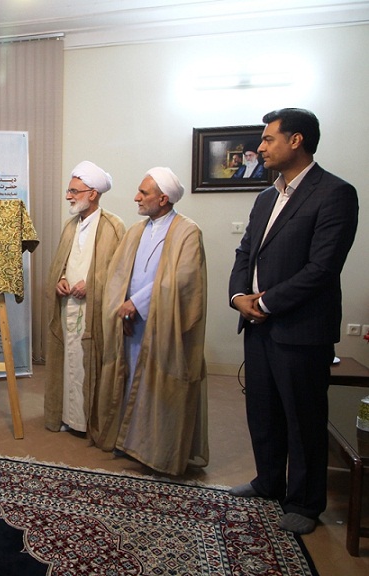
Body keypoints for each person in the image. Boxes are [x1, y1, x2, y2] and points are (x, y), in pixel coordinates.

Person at [228, 108, 359, 535]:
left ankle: (304, 502)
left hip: (301, 330)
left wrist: (267, 303)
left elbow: (322, 268)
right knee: (263, 410)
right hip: (258, 326)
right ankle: (268, 481)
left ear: (296, 140)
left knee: (303, 418)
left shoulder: (335, 193)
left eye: (268, 139)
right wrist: (239, 297)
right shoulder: (266, 197)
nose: (261, 147)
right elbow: (246, 253)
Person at [94, 167, 208, 476]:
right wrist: (122, 307)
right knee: (130, 379)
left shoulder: (187, 231)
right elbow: (118, 273)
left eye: (143, 193)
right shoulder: (136, 230)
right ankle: (128, 441)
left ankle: (157, 450)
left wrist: (138, 304)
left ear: (163, 198)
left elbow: (183, 280)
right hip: (131, 322)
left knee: (158, 387)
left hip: (164, 324)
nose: (136, 197)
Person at [44, 161, 124, 436]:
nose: (68, 196)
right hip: (68, 307)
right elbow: (61, 263)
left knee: (87, 363)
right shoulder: (70, 226)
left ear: (93, 194)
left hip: (94, 312)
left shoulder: (113, 226)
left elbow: (120, 271)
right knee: (68, 361)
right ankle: (67, 416)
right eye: (68, 191)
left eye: (74, 191)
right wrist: (61, 279)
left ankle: (89, 422)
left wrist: (92, 285)